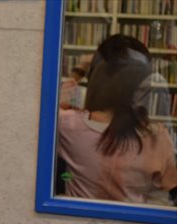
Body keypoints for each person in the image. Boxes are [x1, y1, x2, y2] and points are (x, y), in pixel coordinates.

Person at [57, 34, 177, 205]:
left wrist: (79, 70)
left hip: (74, 219)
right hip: (134, 220)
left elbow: (51, 105)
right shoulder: (157, 137)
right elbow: (167, 193)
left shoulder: (68, 126)